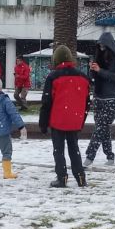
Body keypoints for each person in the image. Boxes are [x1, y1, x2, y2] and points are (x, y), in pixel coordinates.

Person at [39, 45, 91, 188]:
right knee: (74, 148)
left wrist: (43, 123)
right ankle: (81, 177)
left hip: (58, 120)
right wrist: (81, 120)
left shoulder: (53, 77)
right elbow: (87, 102)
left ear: (56, 60)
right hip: (74, 119)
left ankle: (62, 177)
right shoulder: (83, 77)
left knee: (58, 150)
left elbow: (46, 102)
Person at [84, 32, 115, 167]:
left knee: (101, 127)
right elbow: (93, 78)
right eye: (100, 46)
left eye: (104, 46)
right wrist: (92, 70)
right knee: (102, 127)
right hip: (98, 95)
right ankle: (110, 155)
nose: (102, 49)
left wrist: (100, 70)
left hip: (112, 97)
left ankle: (89, 156)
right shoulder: (99, 56)